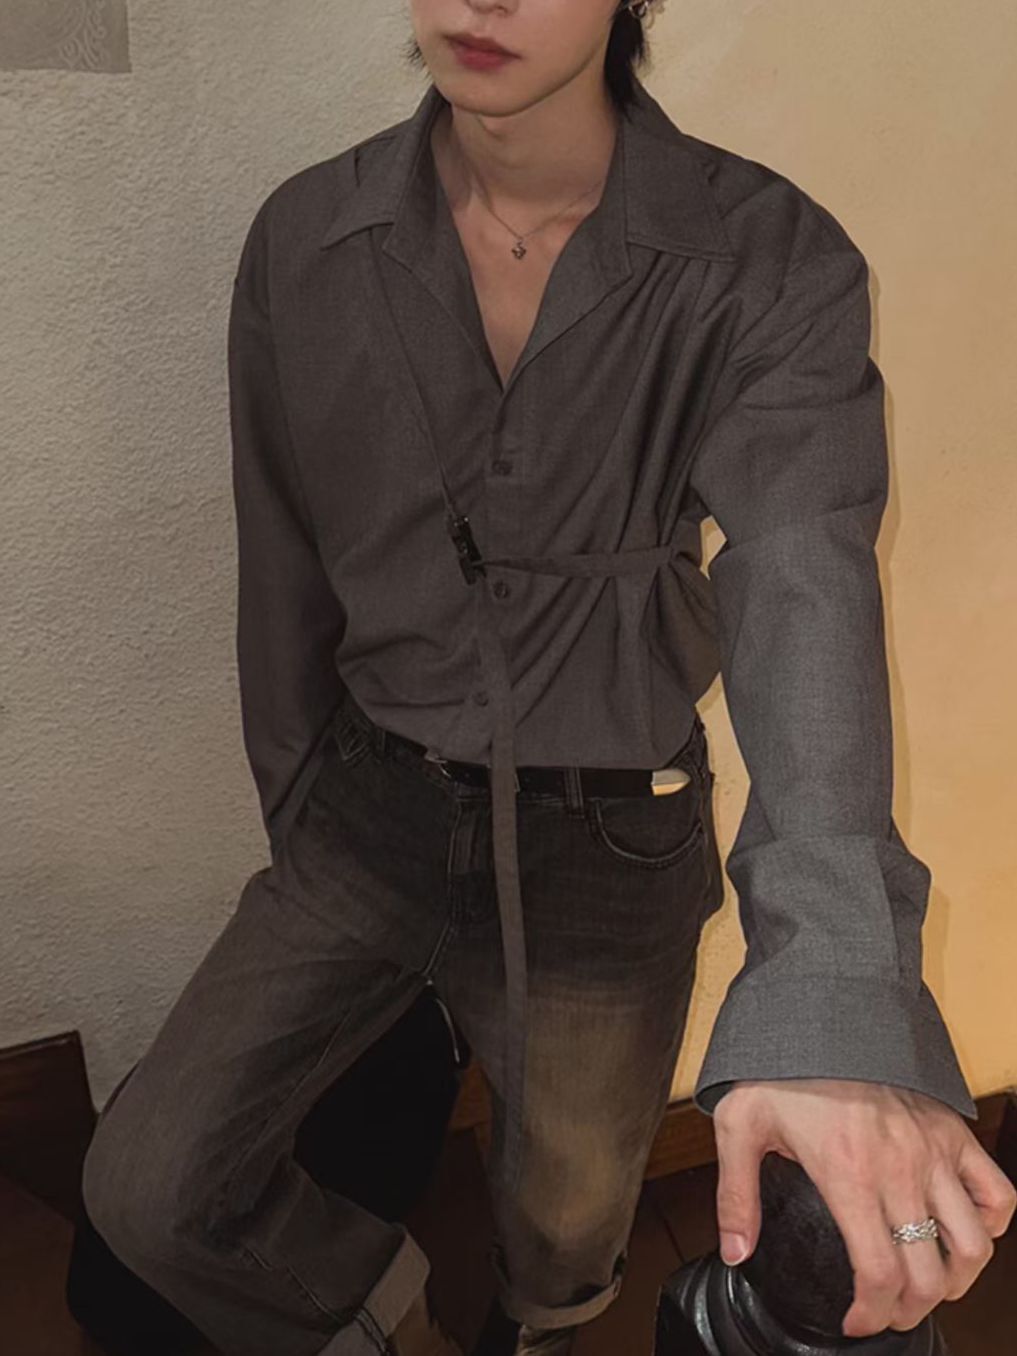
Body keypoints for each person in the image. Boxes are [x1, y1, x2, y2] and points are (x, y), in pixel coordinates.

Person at [81, 2, 1016, 1355]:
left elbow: (802, 582)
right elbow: (282, 565)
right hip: (367, 812)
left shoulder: (767, 258)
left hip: (607, 842)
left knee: (568, 1233)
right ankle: (392, 1322)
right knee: (147, 1186)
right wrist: (302, 812)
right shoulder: (306, 239)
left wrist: (830, 991)